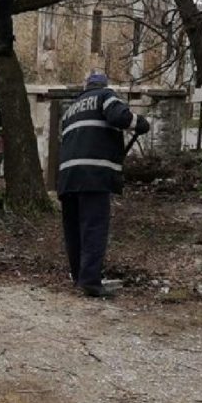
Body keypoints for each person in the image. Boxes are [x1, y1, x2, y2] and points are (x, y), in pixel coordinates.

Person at [57, 73, 149, 298]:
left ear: (85, 86)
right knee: (94, 227)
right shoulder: (105, 97)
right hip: (93, 175)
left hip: (68, 178)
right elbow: (121, 117)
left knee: (74, 230)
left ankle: (79, 276)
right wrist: (140, 123)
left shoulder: (71, 109)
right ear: (103, 86)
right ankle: (90, 281)